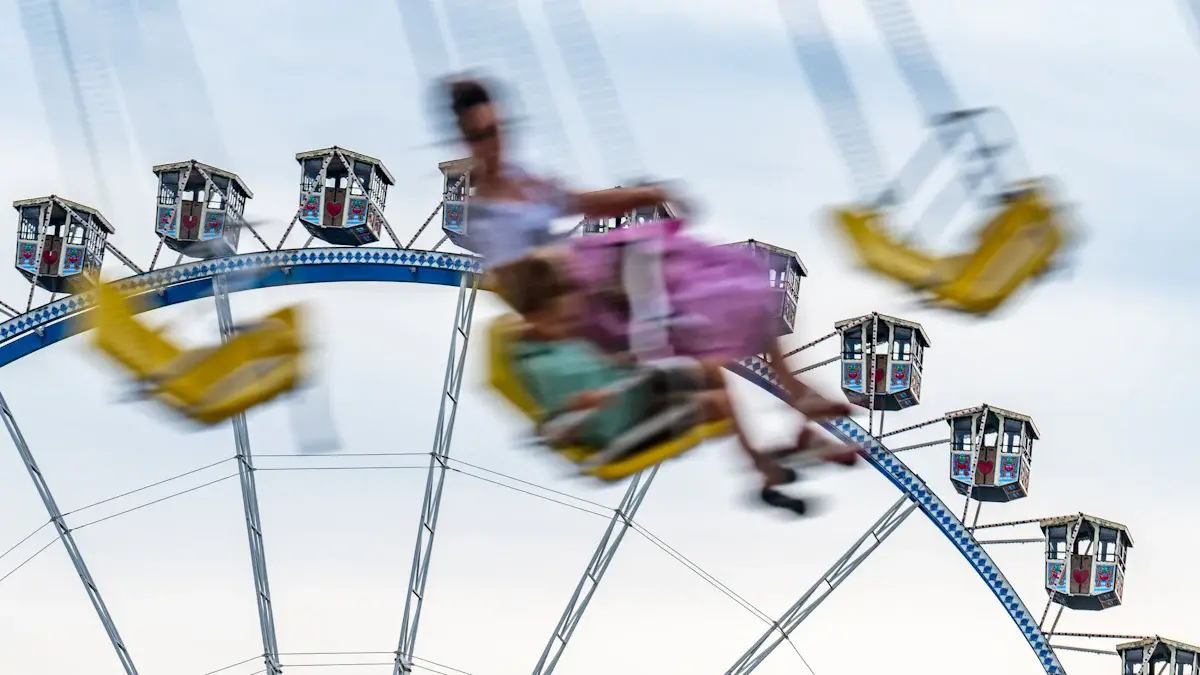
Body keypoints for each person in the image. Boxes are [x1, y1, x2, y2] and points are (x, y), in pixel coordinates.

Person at [443, 75, 851, 422]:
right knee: (655, 267)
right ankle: (660, 359)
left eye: (497, 130)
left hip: (601, 274)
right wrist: (560, 291)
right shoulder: (486, 216)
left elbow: (582, 202)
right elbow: (520, 288)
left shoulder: (524, 181)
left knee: (742, 281)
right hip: (578, 300)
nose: (493, 143)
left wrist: (649, 192)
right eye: (481, 135)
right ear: (467, 140)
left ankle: (794, 389)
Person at [505, 256, 857, 498]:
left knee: (716, 355)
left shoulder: (561, 339)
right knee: (715, 397)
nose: (569, 326)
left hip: (637, 389)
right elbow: (553, 423)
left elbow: (601, 354)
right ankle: (765, 459)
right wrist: (580, 405)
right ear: (534, 317)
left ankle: (791, 435)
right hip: (619, 421)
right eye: (560, 320)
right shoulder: (536, 363)